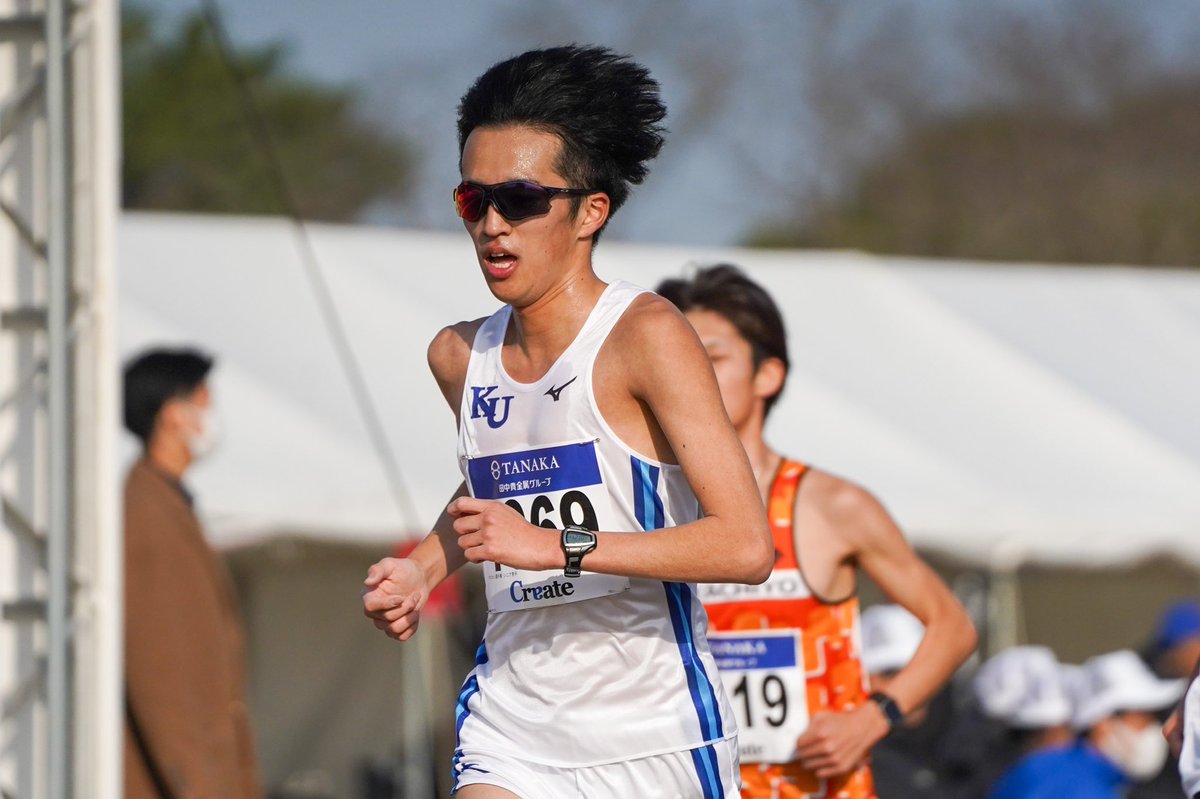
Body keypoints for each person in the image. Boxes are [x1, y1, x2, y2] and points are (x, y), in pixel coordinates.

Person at [360, 46, 774, 799]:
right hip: (513, 725)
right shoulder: (458, 355)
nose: (491, 224)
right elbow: (492, 492)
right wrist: (421, 569)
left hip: (653, 732)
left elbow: (745, 544)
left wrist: (553, 546)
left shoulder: (647, 335)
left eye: (518, 199)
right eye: (471, 200)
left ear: (591, 211)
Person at [657, 264, 977, 799]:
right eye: (677, 360)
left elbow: (952, 627)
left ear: (768, 375)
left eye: (711, 357)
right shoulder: (649, 506)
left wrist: (874, 718)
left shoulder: (831, 506)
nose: (692, 376)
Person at [122, 347, 261, 799]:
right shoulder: (146, 515)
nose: (211, 411)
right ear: (172, 414)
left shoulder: (166, 504)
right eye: (203, 398)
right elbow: (161, 678)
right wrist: (198, 785)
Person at [987, 649, 1184, 799]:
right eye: (1145, 717)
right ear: (1102, 723)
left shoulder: (1039, 765)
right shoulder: (1086, 790)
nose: (1156, 728)